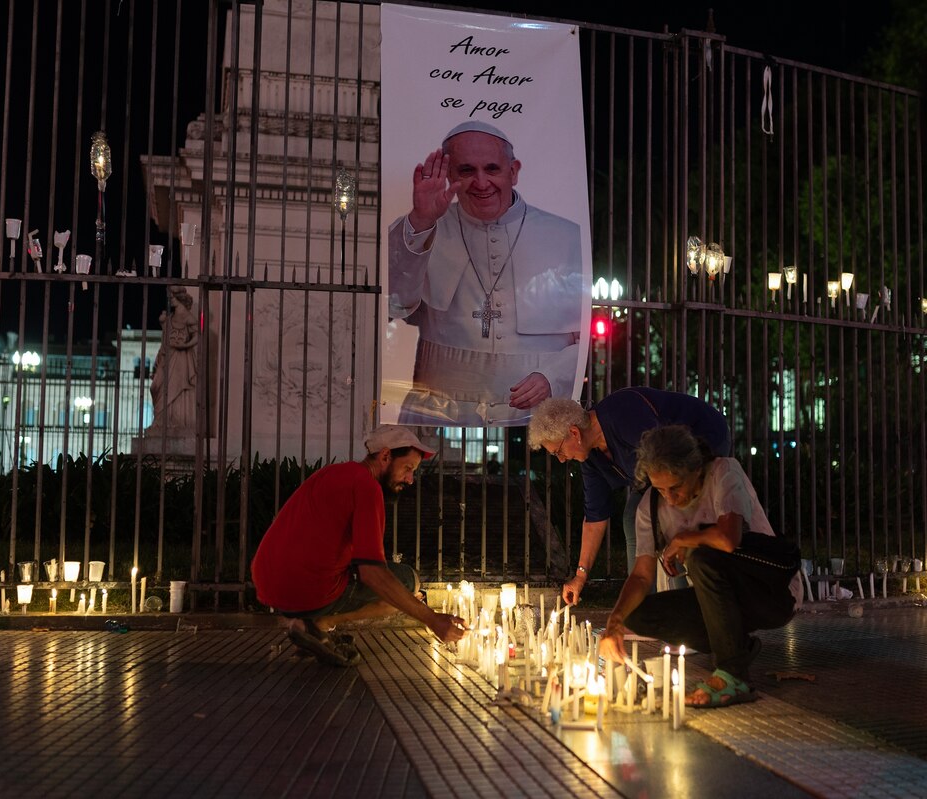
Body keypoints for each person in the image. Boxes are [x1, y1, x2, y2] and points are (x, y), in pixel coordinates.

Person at [387, 120, 584, 426]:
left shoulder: (567, 236)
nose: (481, 183)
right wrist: (422, 220)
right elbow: (393, 305)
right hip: (439, 413)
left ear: (514, 171)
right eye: (466, 171)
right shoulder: (421, 226)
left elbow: (590, 338)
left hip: (533, 416)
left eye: (492, 169)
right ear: (449, 174)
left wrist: (552, 376)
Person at [598, 425, 803, 707]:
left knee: (702, 556)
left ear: (696, 468)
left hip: (772, 593)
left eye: (676, 487)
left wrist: (685, 539)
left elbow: (729, 539)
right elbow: (641, 575)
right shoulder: (650, 504)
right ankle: (738, 647)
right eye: (661, 489)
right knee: (637, 615)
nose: (670, 498)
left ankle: (734, 676)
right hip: (720, 601)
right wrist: (614, 623)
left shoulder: (723, 472)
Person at [251, 424, 467, 667]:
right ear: (385, 456)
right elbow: (372, 573)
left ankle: (309, 623)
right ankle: (317, 625)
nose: (410, 480)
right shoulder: (367, 487)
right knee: (407, 582)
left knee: (398, 588)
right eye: (407, 469)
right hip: (305, 588)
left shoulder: (334, 472)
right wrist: (432, 619)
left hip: (268, 583)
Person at [527, 390, 730, 605]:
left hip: (702, 440)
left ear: (575, 433)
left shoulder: (624, 414)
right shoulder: (591, 458)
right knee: (633, 517)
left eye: (558, 451)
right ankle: (642, 606)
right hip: (660, 471)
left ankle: (684, 604)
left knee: (667, 516)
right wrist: (580, 576)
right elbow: (595, 518)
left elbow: (667, 463)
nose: (561, 460)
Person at [147, 286, 198, 433]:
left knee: (176, 387)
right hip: (167, 356)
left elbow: (197, 336)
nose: (170, 300)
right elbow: (165, 341)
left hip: (181, 358)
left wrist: (185, 345)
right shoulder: (169, 318)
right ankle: (161, 421)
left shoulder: (188, 317)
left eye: (172, 297)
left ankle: (173, 421)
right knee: (156, 386)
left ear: (180, 298)